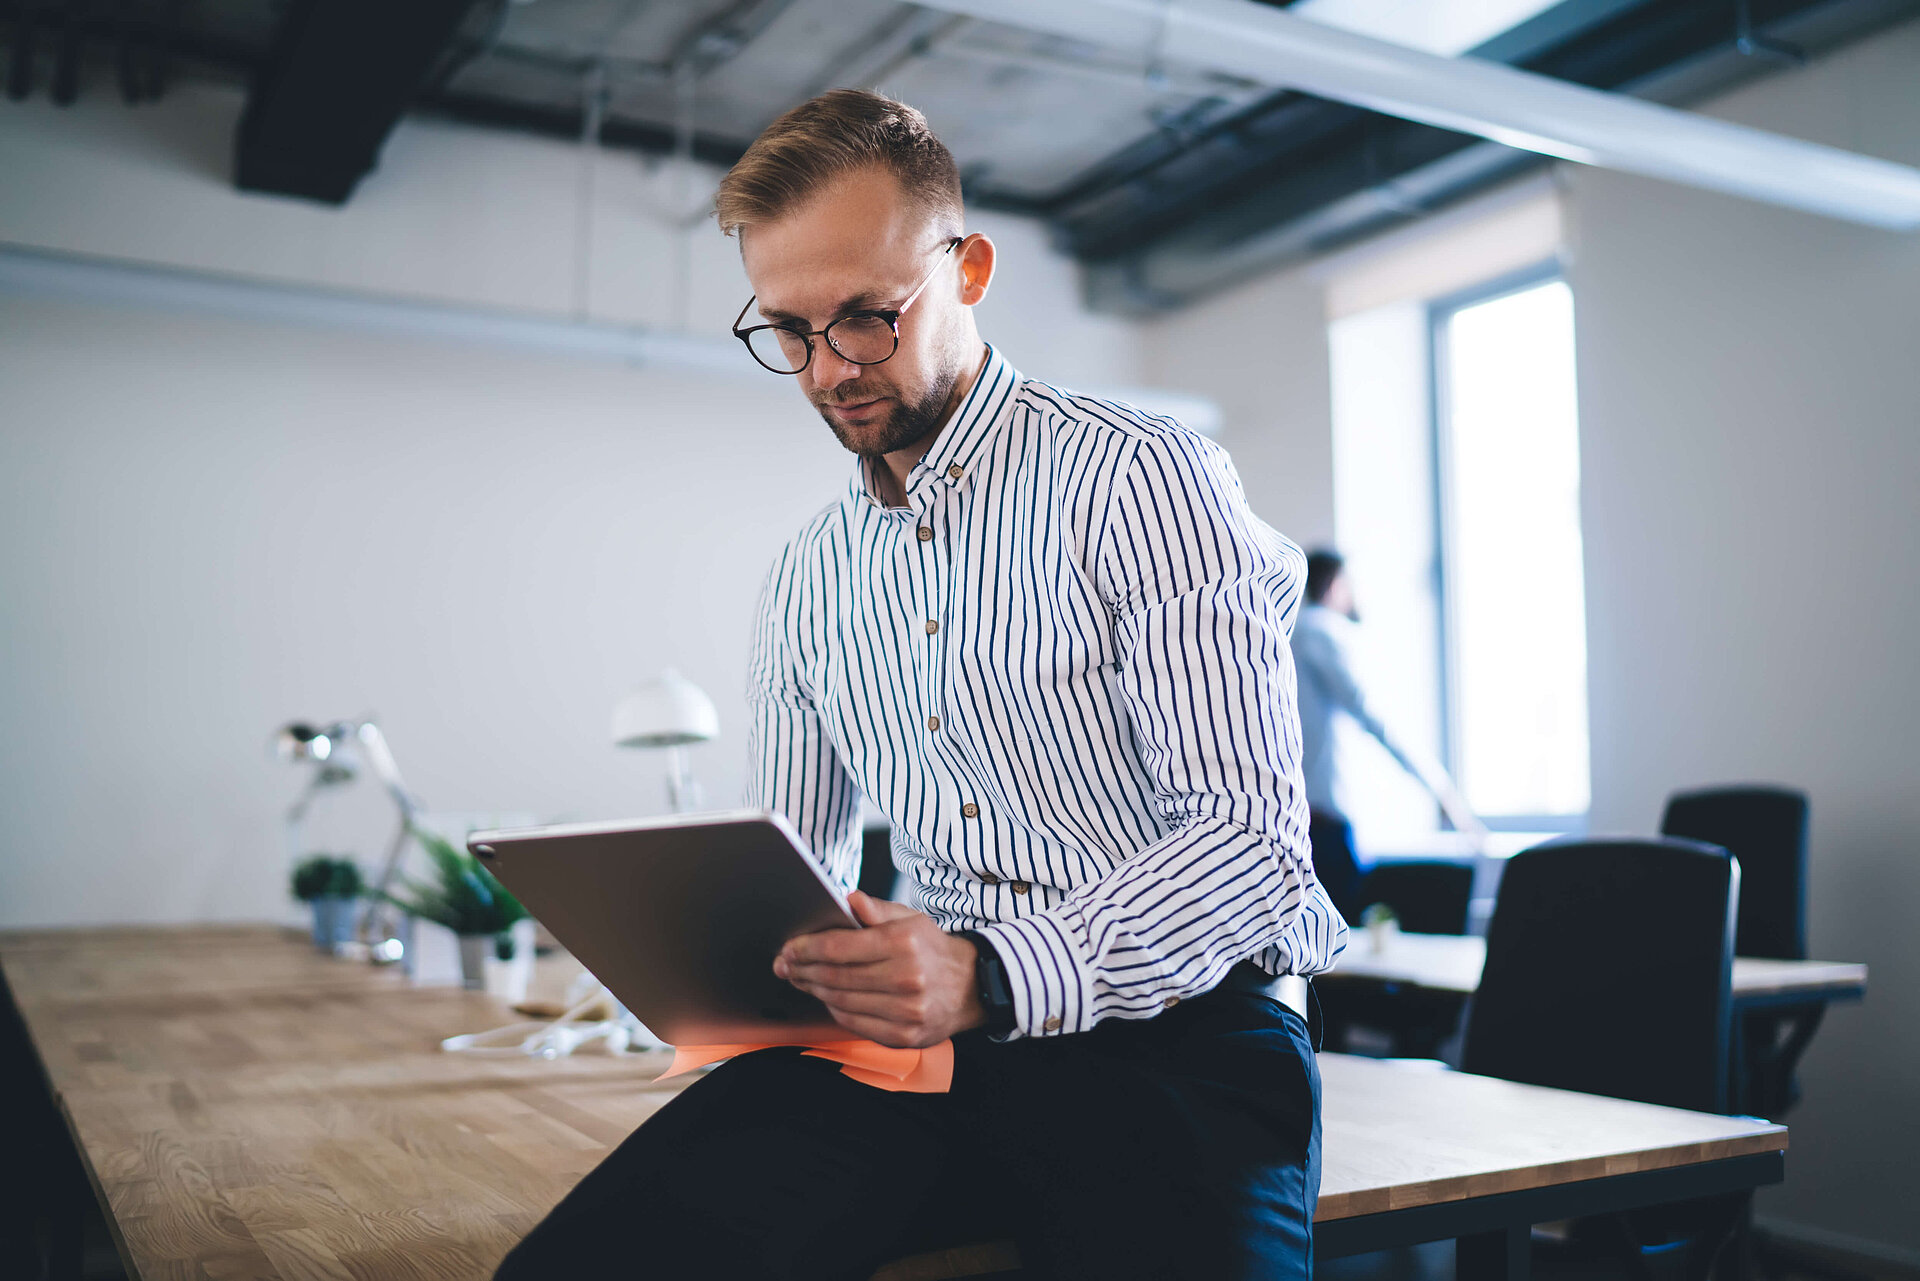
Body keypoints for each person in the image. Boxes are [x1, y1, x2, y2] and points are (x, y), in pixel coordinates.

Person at [495, 90, 1346, 1281]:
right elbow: (794, 866)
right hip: (920, 1047)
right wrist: (707, 958)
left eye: (866, 319)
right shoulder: (809, 575)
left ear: (971, 269)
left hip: (1175, 1044)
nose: (826, 370)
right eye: (787, 331)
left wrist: (987, 972)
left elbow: (1252, 856)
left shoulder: (1143, 481)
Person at [1292, 548, 1485, 923]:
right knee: (1340, 942)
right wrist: (1441, 789)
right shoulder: (1321, 632)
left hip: (1310, 819)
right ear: (1335, 584)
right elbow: (1375, 718)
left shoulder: (1296, 636)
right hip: (1324, 823)